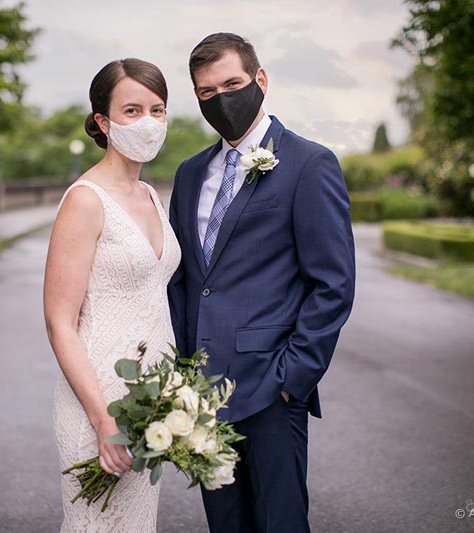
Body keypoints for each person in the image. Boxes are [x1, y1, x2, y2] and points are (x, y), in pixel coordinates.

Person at [167, 33, 356, 532]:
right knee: (226, 525)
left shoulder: (309, 164)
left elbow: (332, 284)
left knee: (281, 523)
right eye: (208, 92)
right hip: (202, 395)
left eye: (232, 83)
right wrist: (182, 372)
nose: (222, 99)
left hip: (272, 389)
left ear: (261, 80)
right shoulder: (190, 175)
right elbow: (186, 280)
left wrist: (293, 380)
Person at [43, 58, 180, 532]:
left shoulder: (150, 196)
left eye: (157, 110)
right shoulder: (85, 200)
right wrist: (103, 419)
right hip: (98, 402)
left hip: (151, 403)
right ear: (103, 121)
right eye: (132, 110)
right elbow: (60, 322)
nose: (148, 122)